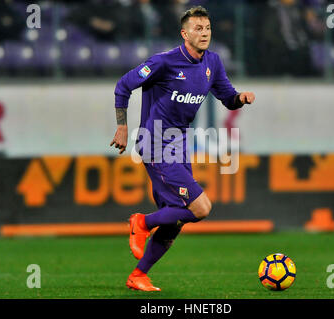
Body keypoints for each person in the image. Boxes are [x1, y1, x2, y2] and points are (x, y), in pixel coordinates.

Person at [110, 6, 255, 292]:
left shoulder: (212, 62)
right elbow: (124, 85)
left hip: (179, 144)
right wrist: (123, 126)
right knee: (201, 208)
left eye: (208, 28)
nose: (204, 33)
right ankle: (141, 221)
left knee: (176, 218)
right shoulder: (165, 62)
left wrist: (241, 97)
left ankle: (138, 275)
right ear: (184, 33)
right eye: (198, 28)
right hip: (154, 142)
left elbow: (227, 97)